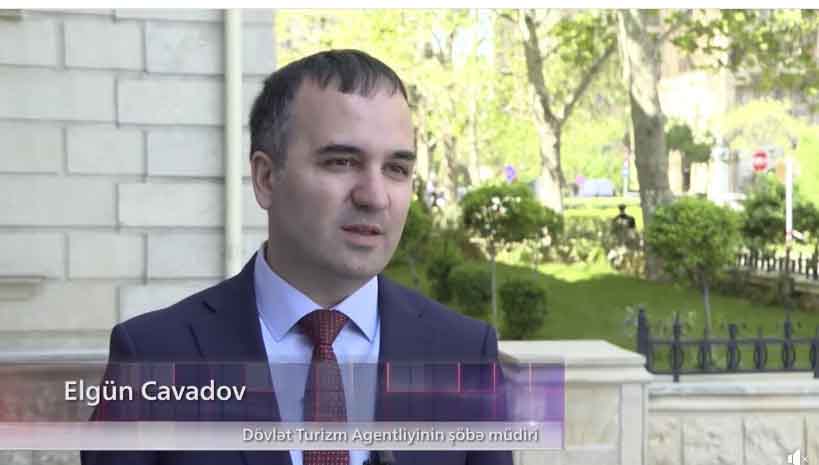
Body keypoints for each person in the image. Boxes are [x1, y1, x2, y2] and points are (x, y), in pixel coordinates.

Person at [82, 50, 511, 465]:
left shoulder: (465, 354)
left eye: (396, 169)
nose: (375, 196)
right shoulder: (154, 356)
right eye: (341, 162)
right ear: (267, 178)